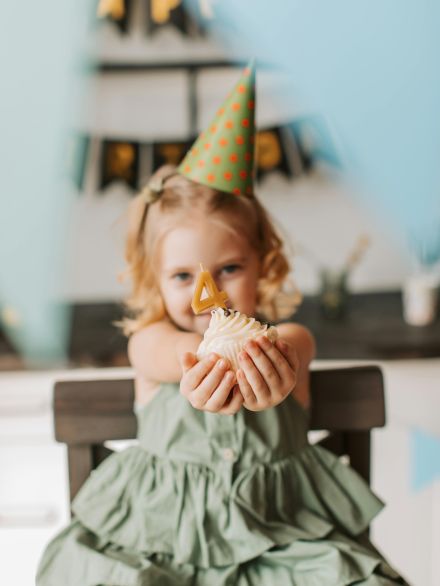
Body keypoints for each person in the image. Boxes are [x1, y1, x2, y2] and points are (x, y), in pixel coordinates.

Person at [37, 63, 407, 585]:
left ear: (264, 264)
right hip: (160, 547)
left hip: (284, 543)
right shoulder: (153, 341)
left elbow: (295, 345)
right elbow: (162, 355)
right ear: (155, 280)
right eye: (183, 275)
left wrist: (274, 370)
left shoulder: (288, 341)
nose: (204, 291)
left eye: (229, 269)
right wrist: (194, 365)